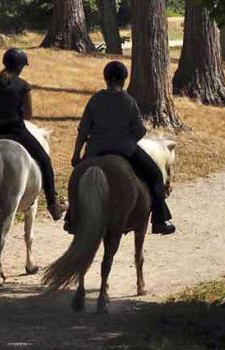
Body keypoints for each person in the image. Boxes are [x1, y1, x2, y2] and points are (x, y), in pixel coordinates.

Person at [69, 60, 175, 235]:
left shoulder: (95, 99)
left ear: (106, 79)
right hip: (125, 150)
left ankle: (72, 218)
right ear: (124, 80)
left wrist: (76, 154)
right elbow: (139, 131)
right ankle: (159, 220)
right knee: (155, 175)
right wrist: (127, 140)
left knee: (77, 178)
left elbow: (83, 130)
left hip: (95, 150)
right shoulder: (128, 101)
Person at [0, 48, 66, 221]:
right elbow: (28, 115)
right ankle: (52, 203)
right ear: (20, 67)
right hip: (16, 130)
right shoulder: (23, 85)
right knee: (45, 161)